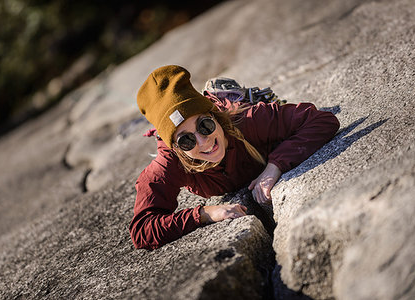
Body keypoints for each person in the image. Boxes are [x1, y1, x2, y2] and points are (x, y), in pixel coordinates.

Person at [130, 65, 340, 250]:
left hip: (234, 115)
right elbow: (142, 230)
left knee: (238, 108)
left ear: (214, 117)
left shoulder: (246, 121)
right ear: (176, 148)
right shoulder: (169, 164)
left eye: (205, 125)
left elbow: (322, 121)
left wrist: (275, 165)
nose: (204, 142)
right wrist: (205, 214)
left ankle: (225, 96)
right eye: (186, 141)